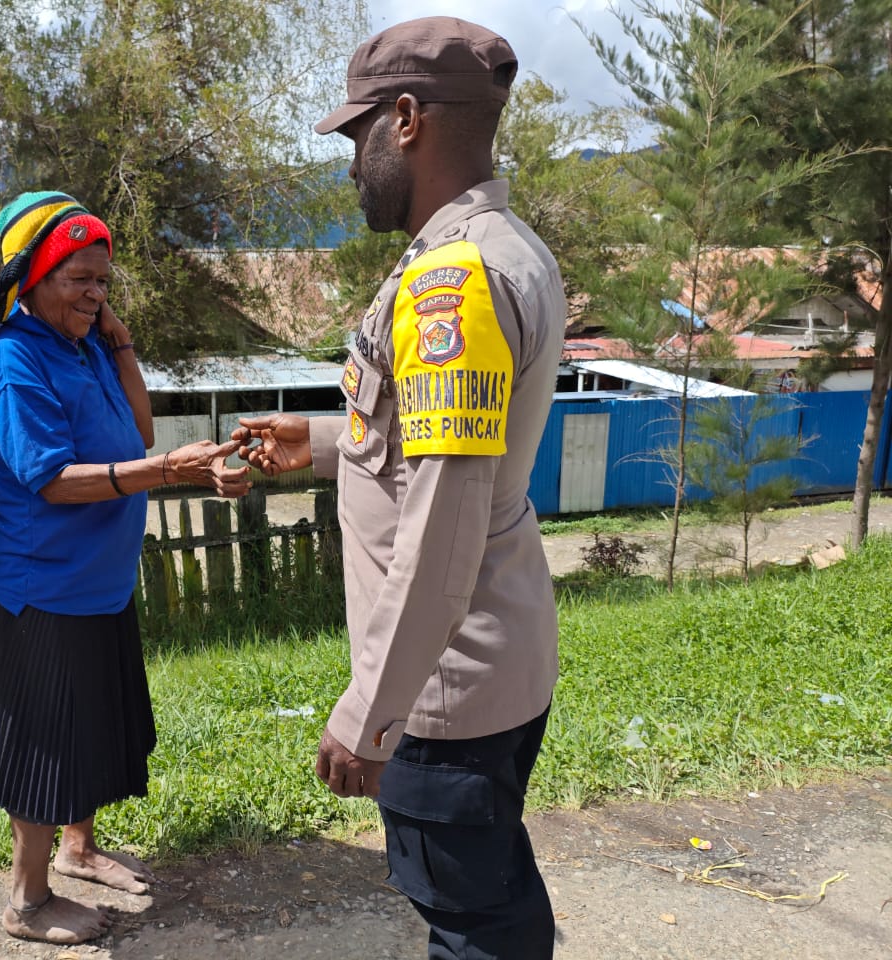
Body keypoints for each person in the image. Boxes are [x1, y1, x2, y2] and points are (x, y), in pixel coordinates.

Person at [233, 19, 565, 960]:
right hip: (489, 659)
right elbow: (447, 453)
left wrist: (366, 714)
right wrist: (330, 440)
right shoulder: (504, 247)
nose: (351, 165)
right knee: (490, 890)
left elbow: (442, 525)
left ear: (407, 119)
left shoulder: (453, 283)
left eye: (357, 135)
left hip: (441, 683)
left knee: (470, 922)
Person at [0, 191, 251, 945]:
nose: (95, 294)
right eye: (79, 280)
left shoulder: (87, 345)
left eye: (102, 281)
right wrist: (164, 472)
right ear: (31, 280)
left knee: (91, 729)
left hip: (98, 583)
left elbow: (136, 429)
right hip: (47, 590)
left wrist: (119, 342)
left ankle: (79, 849)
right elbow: (54, 479)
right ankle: (27, 903)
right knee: (44, 747)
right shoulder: (13, 362)